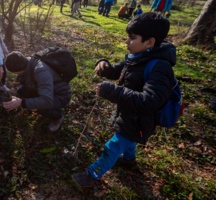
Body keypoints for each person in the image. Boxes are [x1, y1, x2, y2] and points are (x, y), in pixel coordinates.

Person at [72, 12, 176, 190]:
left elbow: (149, 100)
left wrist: (113, 91)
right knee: (128, 141)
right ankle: (129, 160)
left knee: (113, 147)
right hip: (128, 114)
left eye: (132, 38)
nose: (127, 42)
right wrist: (104, 65)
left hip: (139, 120)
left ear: (149, 42)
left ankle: (91, 175)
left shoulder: (160, 67)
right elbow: (117, 71)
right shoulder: (137, 57)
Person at [3, 51, 72, 132]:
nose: (16, 75)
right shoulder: (26, 62)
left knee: (42, 108)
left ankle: (58, 117)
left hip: (60, 95)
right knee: (21, 91)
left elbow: (47, 101)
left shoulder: (41, 72)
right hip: (45, 90)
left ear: (19, 69)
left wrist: (21, 102)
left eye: (15, 73)